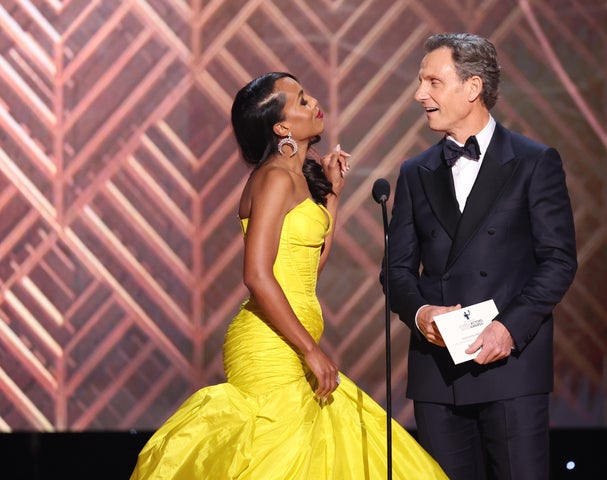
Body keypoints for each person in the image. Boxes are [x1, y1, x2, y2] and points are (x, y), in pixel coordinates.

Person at [130, 72, 449, 479]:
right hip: (270, 346)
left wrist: (332, 194)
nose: (313, 101)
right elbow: (257, 275)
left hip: (294, 341)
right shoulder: (275, 178)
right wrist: (310, 350)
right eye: (300, 100)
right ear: (282, 127)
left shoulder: (293, 177)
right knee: (280, 458)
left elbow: (309, 266)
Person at [381, 33, 578, 480]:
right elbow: (395, 271)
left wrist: (509, 328)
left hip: (510, 366)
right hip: (437, 375)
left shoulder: (534, 161)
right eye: (420, 81)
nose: (419, 94)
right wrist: (421, 312)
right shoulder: (415, 172)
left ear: (472, 88)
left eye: (433, 81)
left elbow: (558, 260)